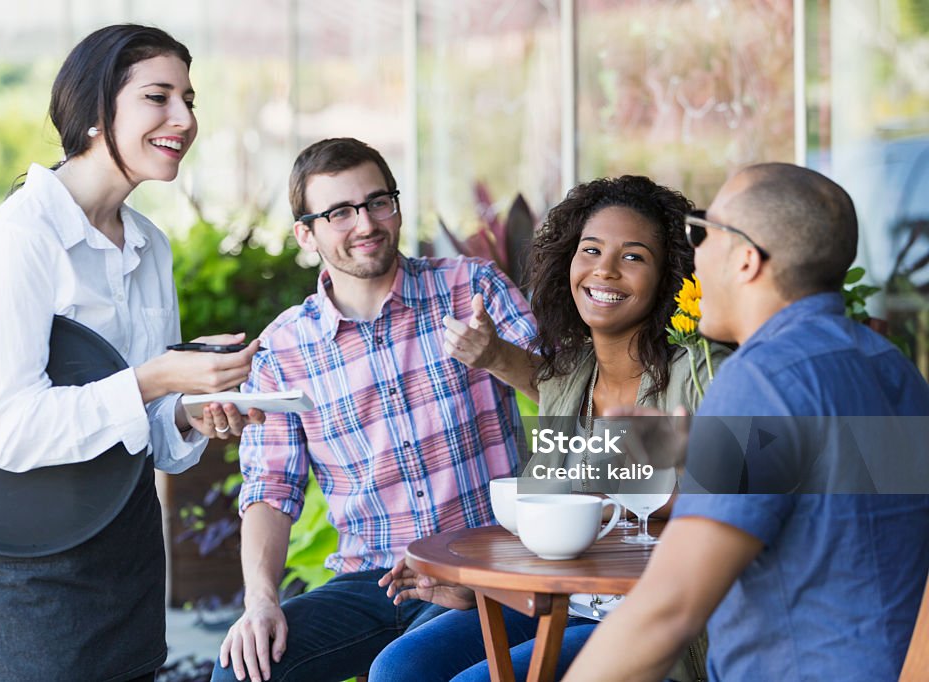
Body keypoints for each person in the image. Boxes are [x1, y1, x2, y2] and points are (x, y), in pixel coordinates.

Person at [0, 25, 262, 682]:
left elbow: (147, 430)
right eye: (159, 97)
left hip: (128, 556)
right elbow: (10, 432)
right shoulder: (20, 240)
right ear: (92, 112)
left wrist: (190, 407)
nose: (185, 118)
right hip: (30, 573)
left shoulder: (150, 244)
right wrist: (153, 379)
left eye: (190, 99)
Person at [563, 163, 929, 681]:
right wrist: (705, 455)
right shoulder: (891, 367)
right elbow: (841, 511)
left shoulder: (763, 377)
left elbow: (668, 611)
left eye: (703, 233)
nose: (693, 256)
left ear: (746, 260)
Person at [211, 137, 539, 682]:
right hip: (372, 581)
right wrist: (261, 601)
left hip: (485, 566)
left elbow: (570, 401)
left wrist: (498, 357)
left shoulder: (471, 288)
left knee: (404, 670)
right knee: (242, 671)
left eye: (377, 201)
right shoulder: (284, 348)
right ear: (306, 234)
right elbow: (270, 487)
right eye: (339, 212)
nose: (365, 223)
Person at [374, 175, 727, 681]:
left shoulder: (697, 376)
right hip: (561, 597)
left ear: (668, 277)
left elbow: (738, 495)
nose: (604, 270)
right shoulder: (569, 379)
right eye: (590, 250)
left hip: (652, 612)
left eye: (633, 257)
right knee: (401, 666)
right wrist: (478, 587)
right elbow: (551, 525)